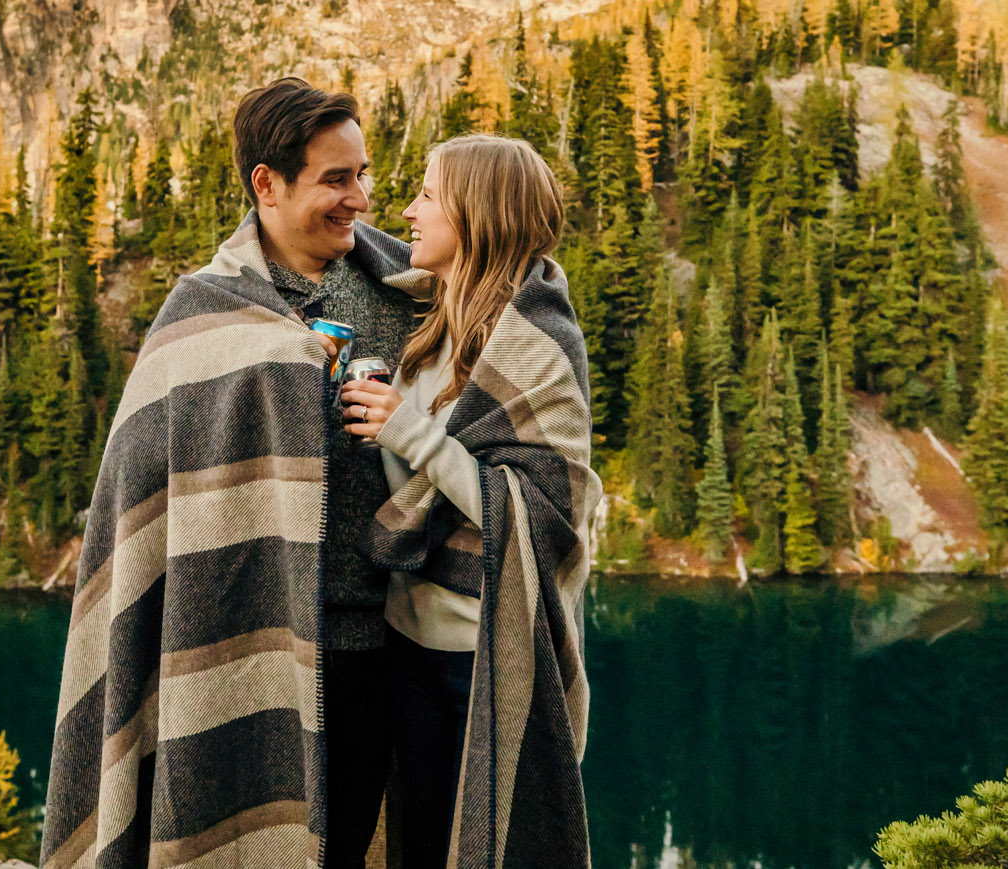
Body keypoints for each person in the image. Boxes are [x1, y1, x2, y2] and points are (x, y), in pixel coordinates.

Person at [41, 77, 423, 869]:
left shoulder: (408, 288)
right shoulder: (206, 308)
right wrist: (280, 367)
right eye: (336, 179)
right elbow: (137, 483)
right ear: (267, 184)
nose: (361, 197)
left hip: (374, 645)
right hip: (234, 646)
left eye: (365, 174)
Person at [341, 134, 601, 869]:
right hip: (403, 643)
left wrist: (410, 431)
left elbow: (542, 517)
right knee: (416, 847)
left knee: (489, 848)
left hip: (478, 656)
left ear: (477, 213)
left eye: (427, 195)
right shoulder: (429, 319)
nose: (408, 211)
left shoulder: (537, 343)